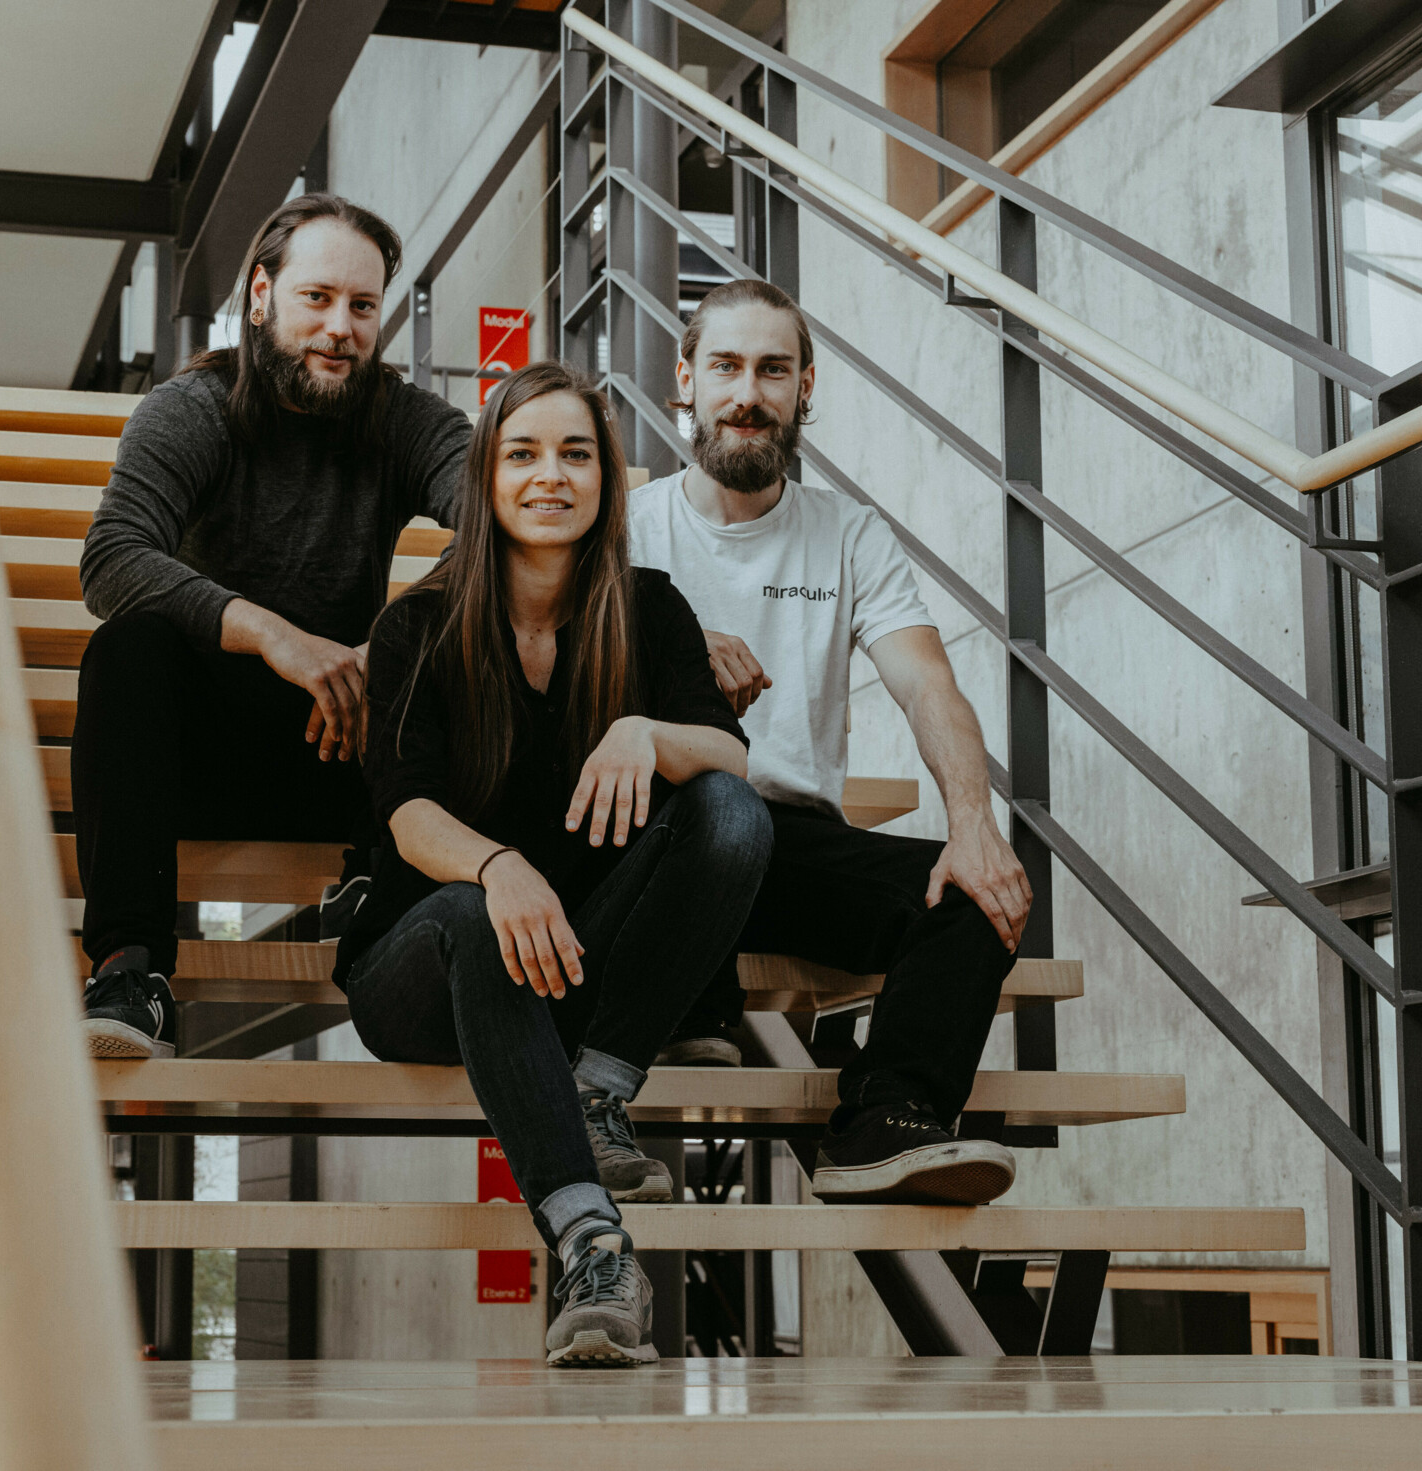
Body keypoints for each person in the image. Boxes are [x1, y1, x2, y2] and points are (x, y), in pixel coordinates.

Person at [336, 361, 772, 1367]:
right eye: (523, 453)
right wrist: (495, 867)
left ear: (605, 481)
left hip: (576, 965)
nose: (551, 475)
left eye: (576, 453)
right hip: (425, 969)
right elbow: (405, 813)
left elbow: (732, 765)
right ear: (486, 479)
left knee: (731, 812)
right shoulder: (417, 625)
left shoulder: (651, 609)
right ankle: (591, 1245)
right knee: (471, 913)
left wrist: (646, 735)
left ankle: (599, 1083)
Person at [629, 279, 1030, 1207]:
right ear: (684, 380)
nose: (748, 393)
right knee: (706, 805)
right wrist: (675, 649)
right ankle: (682, 1002)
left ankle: (885, 1118)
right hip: (654, 844)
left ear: (807, 387)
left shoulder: (848, 534)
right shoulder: (627, 526)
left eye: (774, 370)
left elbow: (929, 681)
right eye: (725, 366)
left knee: (973, 891)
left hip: (786, 848)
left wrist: (973, 823)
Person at [73, 193, 469, 1057]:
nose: (341, 328)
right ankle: (130, 972)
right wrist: (276, 636)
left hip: (352, 748)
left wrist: (388, 641)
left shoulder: (403, 420)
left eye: (363, 307)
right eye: (317, 298)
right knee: (128, 647)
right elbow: (110, 558)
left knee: (451, 651)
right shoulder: (194, 410)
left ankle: (384, 909)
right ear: (262, 295)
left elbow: (505, 527)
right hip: (202, 752)